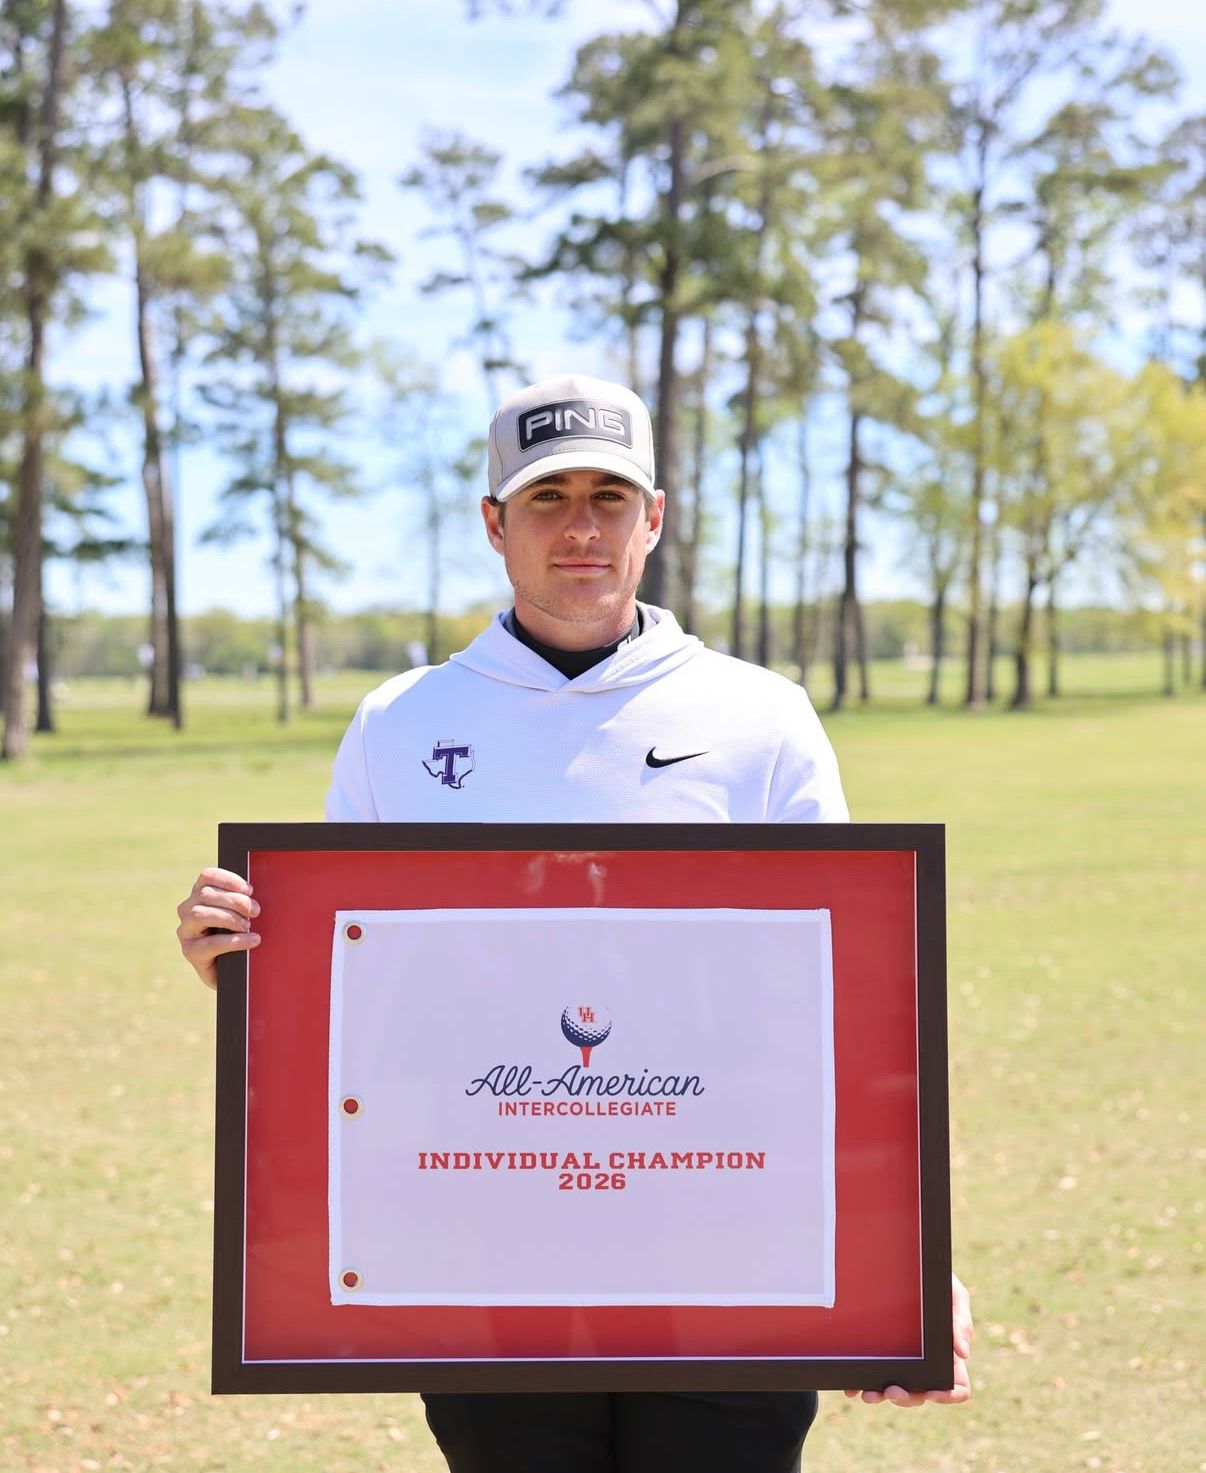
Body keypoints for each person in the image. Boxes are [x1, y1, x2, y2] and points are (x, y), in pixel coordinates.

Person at [177, 373, 972, 1473]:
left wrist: (909, 1264)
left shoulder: (761, 716)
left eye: (611, 496)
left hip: (727, 1235)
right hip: (486, 1239)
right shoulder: (401, 723)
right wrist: (244, 968)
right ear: (494, 523)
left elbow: (844, 1008)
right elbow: (355, 992)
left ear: (655, 517)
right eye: (547, 499)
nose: (582, 528)